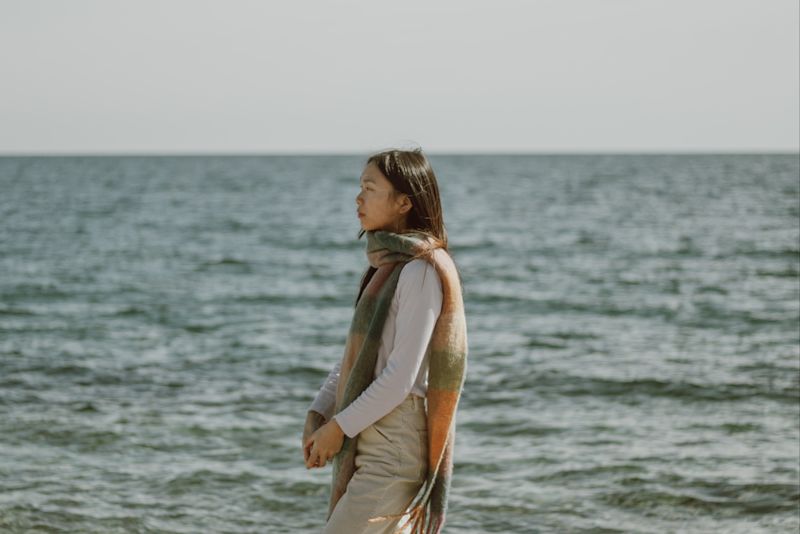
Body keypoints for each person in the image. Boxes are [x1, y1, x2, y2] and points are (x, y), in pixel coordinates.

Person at [301, 147, 465, 533]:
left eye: (370, 188)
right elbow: (356, 361)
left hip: (394, 444)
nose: (358, 197)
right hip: (373, 433)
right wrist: (319, 412)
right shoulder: (388, 267)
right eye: (360, 186)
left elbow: (400, 377)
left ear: (404, 201)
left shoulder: (420, 271)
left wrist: (339, 427)